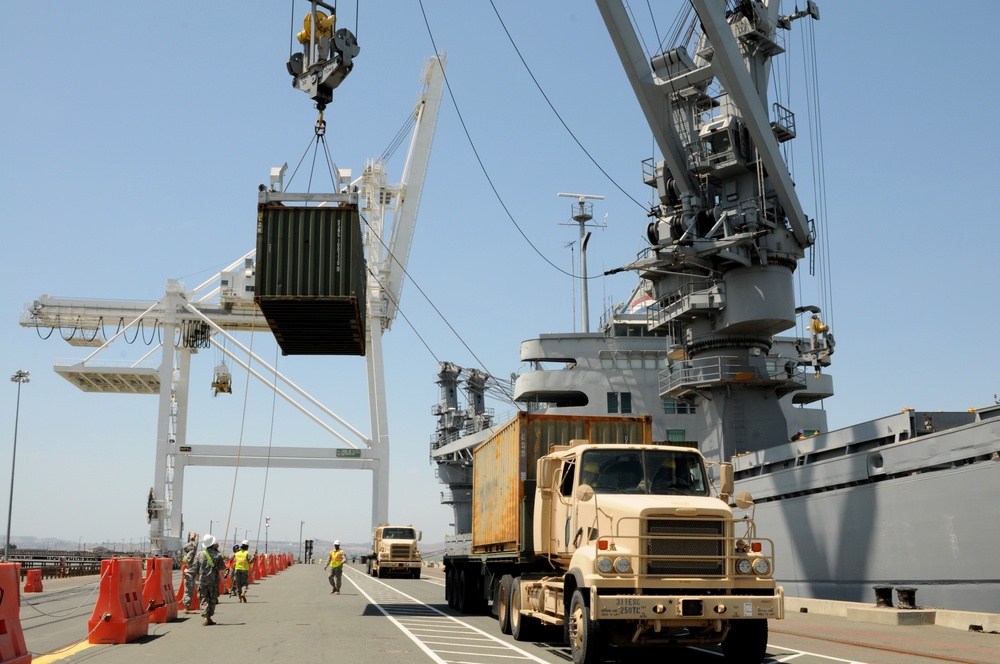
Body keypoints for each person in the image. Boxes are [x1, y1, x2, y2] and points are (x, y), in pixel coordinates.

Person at [191, 533, 225, 626]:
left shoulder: (199, 555)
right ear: (213, 544)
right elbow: (222, 568)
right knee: (212, 599)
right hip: (213, 581)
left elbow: (195, 568)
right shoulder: (218, 555)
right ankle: (208, 617)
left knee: (204, 598)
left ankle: (206, 617)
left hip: (202, 580)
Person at [180, 533, 198, 613]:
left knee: (188, 590)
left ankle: (187, 606)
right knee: (188, 590)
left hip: (189, 573)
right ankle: (186, 607)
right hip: (190, 573)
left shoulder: (187, 553)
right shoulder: (190, 553)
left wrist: (193, 540)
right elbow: (194, 548)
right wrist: (196, 539)